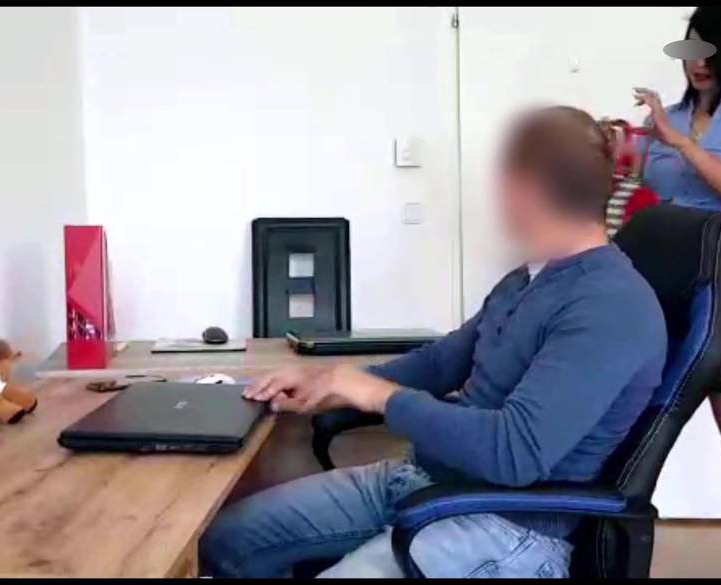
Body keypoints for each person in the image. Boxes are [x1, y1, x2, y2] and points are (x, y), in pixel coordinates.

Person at [199, 106, 668, 578]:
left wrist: (378, 395)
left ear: (523, 189)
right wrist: (329, 383)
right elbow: (442, 363)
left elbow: (515, 452)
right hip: (427, 484)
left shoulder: (610, 305)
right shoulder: (530, 276)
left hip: (507, 528)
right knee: (227, 541)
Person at [633, 6, 721, 577]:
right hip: (667, 275)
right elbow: (639, 184)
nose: (697, 61)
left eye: (710, 48)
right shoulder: (667, 118)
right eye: (691, 47)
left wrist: (678, 142)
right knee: (637, 406)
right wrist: (616, 146)